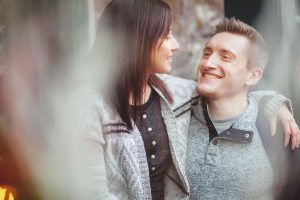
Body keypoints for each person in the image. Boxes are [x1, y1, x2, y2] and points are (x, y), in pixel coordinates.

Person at [75, 1, 299, 199]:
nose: (176, 45)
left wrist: (274, 103)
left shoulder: (175, 93)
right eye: (167, 36)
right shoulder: (88, 105)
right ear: (138, 40)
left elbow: (230, 91)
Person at [186, 17, 299, 200]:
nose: (208, 64)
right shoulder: (175, 117)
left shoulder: (278, 133)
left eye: (226, 57)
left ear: (253, 76)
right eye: (207, 54)